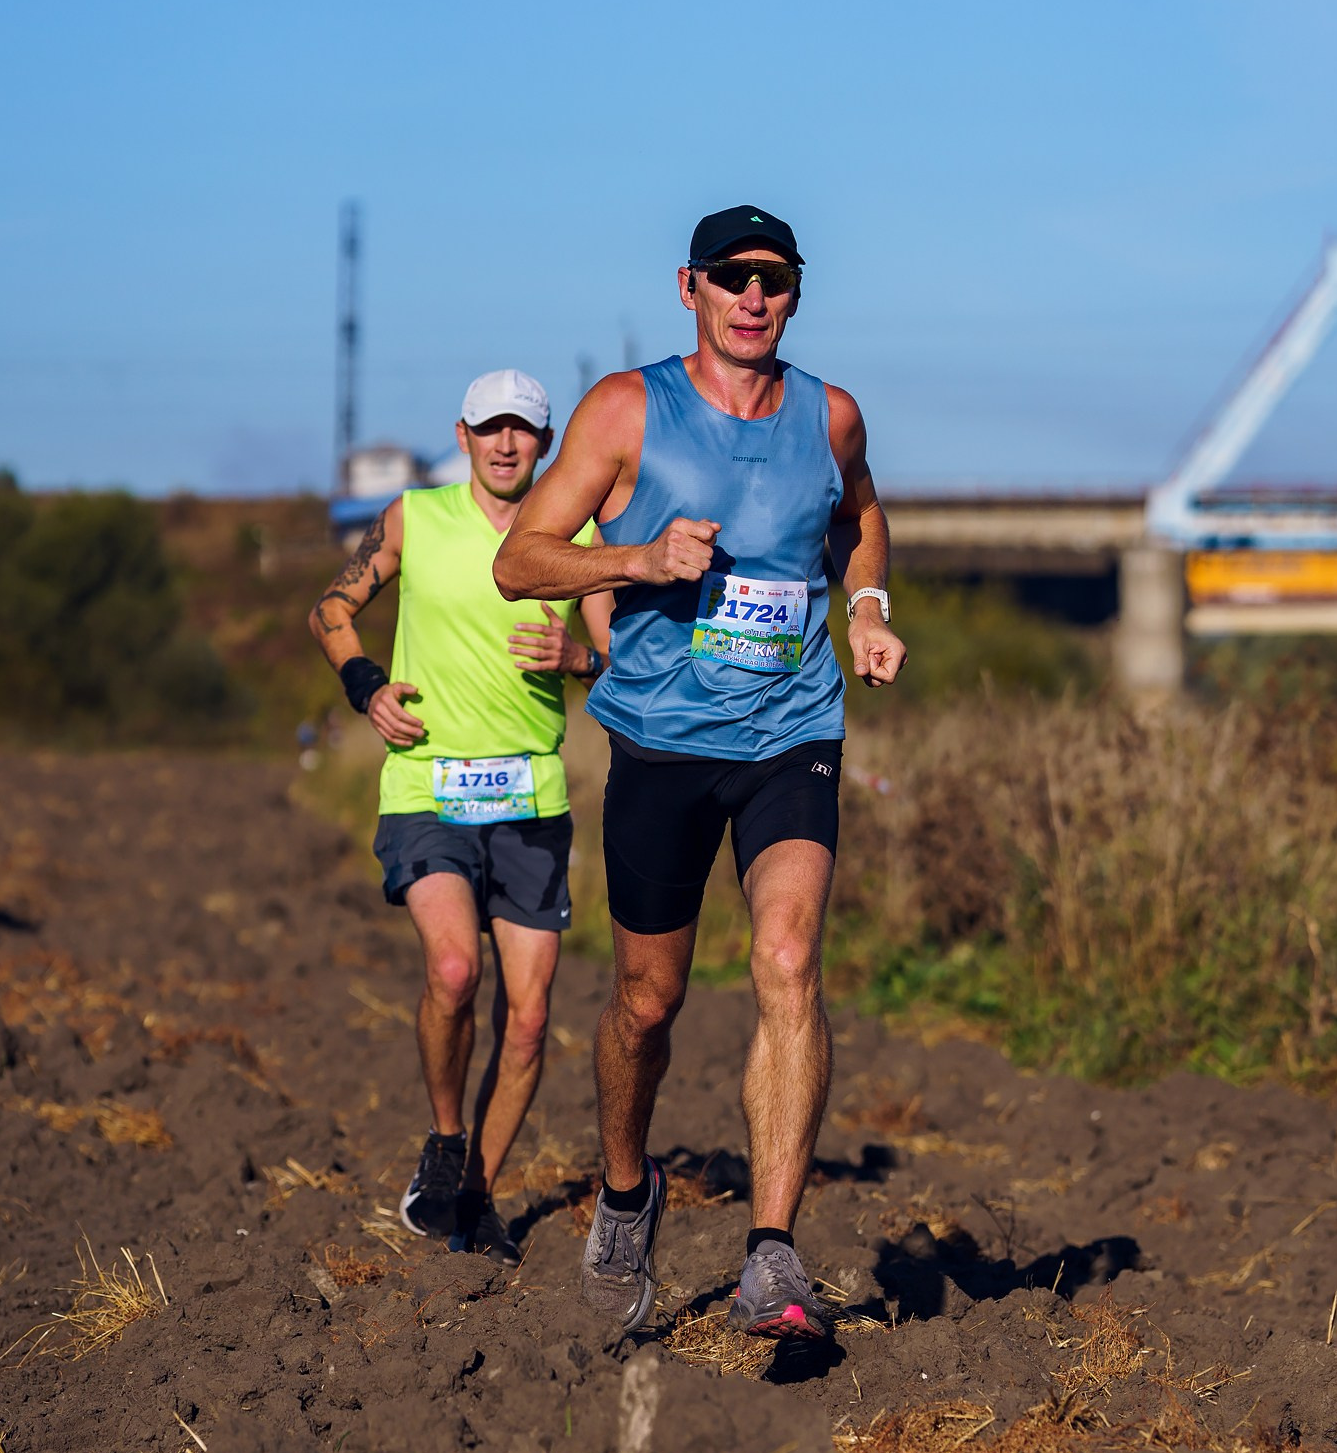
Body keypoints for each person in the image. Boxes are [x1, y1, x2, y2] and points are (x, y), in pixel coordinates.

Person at [497, 204, 906, 1342]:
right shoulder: (627, 409)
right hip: (661, 742)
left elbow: (860, 519)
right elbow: (517, 560)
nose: (751, 297)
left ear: (794, 293)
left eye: (773, 279)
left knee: (786, 961)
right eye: (730, 277)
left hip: (790, 731)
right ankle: (626, 1191)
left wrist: (865, 610)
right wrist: (639, 556)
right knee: (646, 1001)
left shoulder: (829, 416)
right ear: (690, 288)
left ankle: (771, 1257)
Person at [309, 370, 611, 1261]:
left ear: (546, 443)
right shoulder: (414, 516)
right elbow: (330, 608)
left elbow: (621, 657)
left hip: (531, 796)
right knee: (451, 971)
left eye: (523, 431)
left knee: (528, 1018)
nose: (506, 445)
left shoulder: (579, 534)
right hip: (426, 786)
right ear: (465, 434)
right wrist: (365, 686)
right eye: (490, 429)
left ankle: (475, 1195)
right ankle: (446, 1138)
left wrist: (577, 656)